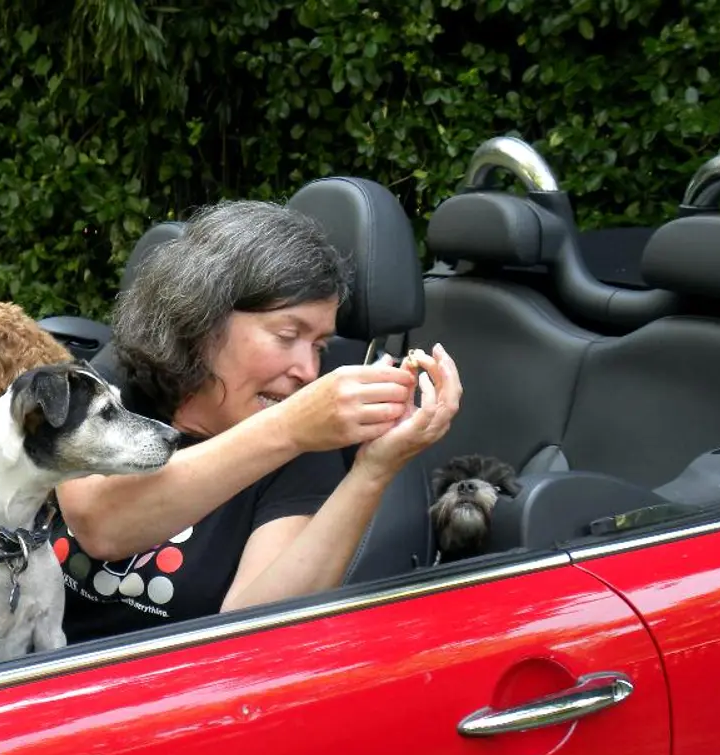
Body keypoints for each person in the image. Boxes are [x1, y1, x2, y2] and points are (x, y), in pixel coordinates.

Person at [50, 199, 462, 642]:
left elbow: (255, 628)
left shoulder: (303, 446)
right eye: (288, 336)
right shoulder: (119, 379)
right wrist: (287, 427)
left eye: (320, 346)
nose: (308, 370)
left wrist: (373, 470)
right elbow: (97, 523)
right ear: (202, 319)